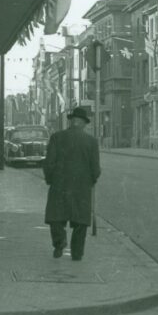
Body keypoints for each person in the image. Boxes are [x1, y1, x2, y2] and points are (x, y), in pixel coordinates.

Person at [43, 106, 100, 260]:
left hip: (59, 185)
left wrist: (50, 179)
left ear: (72, 121)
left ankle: (59, 241)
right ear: (83, 123)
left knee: (56, 217)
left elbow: (48, 163)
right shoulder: (91, 142)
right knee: (80, 221)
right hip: (81, 187)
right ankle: (76, 253)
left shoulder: (56, 137)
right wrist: (92, 180)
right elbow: (96, 169)